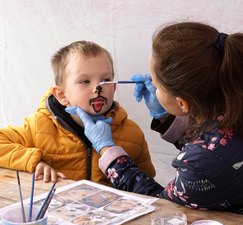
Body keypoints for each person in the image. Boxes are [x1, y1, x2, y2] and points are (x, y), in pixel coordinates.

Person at [72, 22, 243, 214]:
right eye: (84, 81)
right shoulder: (232, 108)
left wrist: (107, 150)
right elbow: (214, 145)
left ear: (182, 103)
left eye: (157, 85)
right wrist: (165, 118)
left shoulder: (204, 162)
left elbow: (162, 207)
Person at [0, 40, 155, 184]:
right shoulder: (39, 126)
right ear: (61, 95)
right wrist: (33, 161)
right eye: (85, 81)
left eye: (106, 80)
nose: (98, 88)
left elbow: (146, 186)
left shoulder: (132, 133)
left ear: (114, 87)